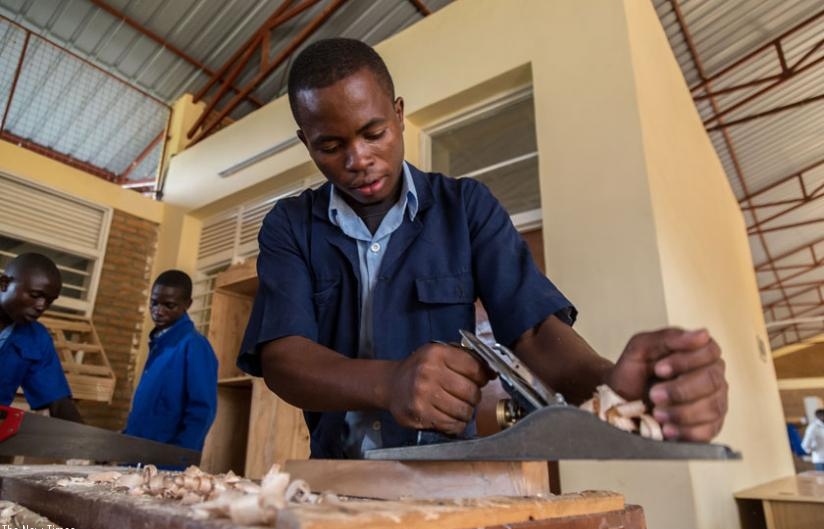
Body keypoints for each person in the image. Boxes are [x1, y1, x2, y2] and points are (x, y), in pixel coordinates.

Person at [238, 38, 728, 459]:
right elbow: (284, 358)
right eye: (330, 146)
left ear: (400, 114)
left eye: (374, 133)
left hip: (450, 472)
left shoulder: (466, 208)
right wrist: (388, 383)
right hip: (332, 473)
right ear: (306, 142)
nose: (358, 159)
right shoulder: (289, 225)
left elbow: (534, 331)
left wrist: (611, 390)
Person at [124, 270, 218, 452]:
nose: (158, 311)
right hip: (136, 458)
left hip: (166, 465)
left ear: (187, 305)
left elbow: (201, 411)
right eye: (154, 303)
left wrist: (178, 459)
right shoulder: (159, 344)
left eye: (169, 305)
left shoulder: (194, 346)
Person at [0, 252, 82, 422]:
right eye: (35, 296)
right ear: (4, 284)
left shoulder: (36, 338)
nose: (41, 306)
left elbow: (56, 401)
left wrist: (88, 442)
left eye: (49, 301)